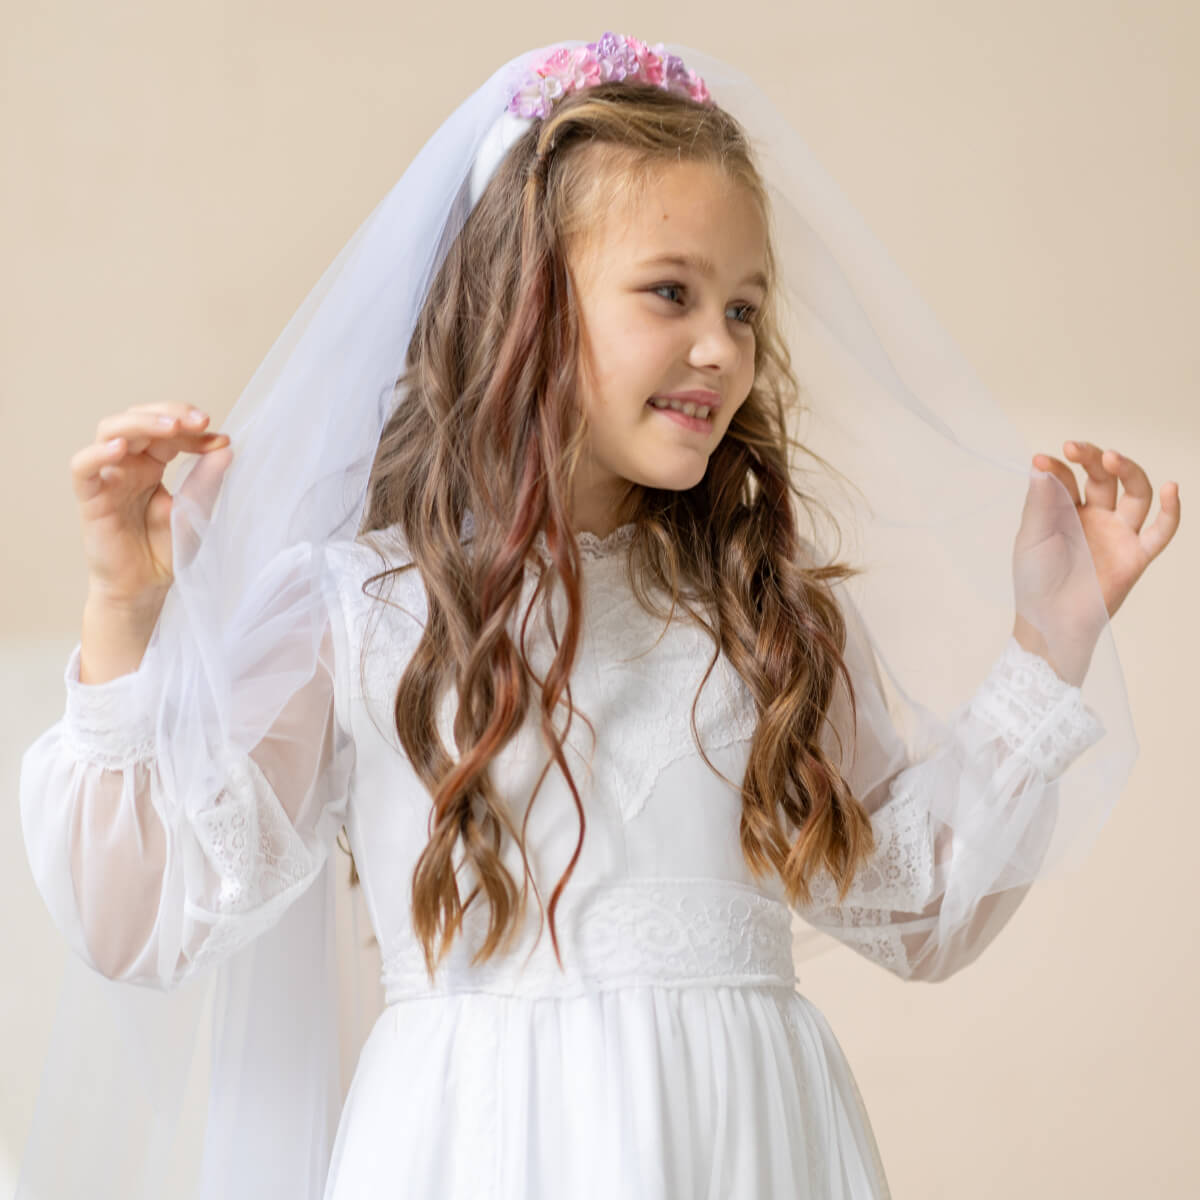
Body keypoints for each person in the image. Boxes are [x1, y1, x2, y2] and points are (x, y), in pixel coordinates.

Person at [16, 32, 1179, 1200]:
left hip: (748, 1151)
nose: (721, 347)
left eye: (744, 307)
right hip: (477, 1150)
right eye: (671, 292)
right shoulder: (362, 615)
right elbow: (136, 919)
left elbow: (919, 909)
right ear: (521, 299)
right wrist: (124, 606)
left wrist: (1051, 641)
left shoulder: (760, 618)